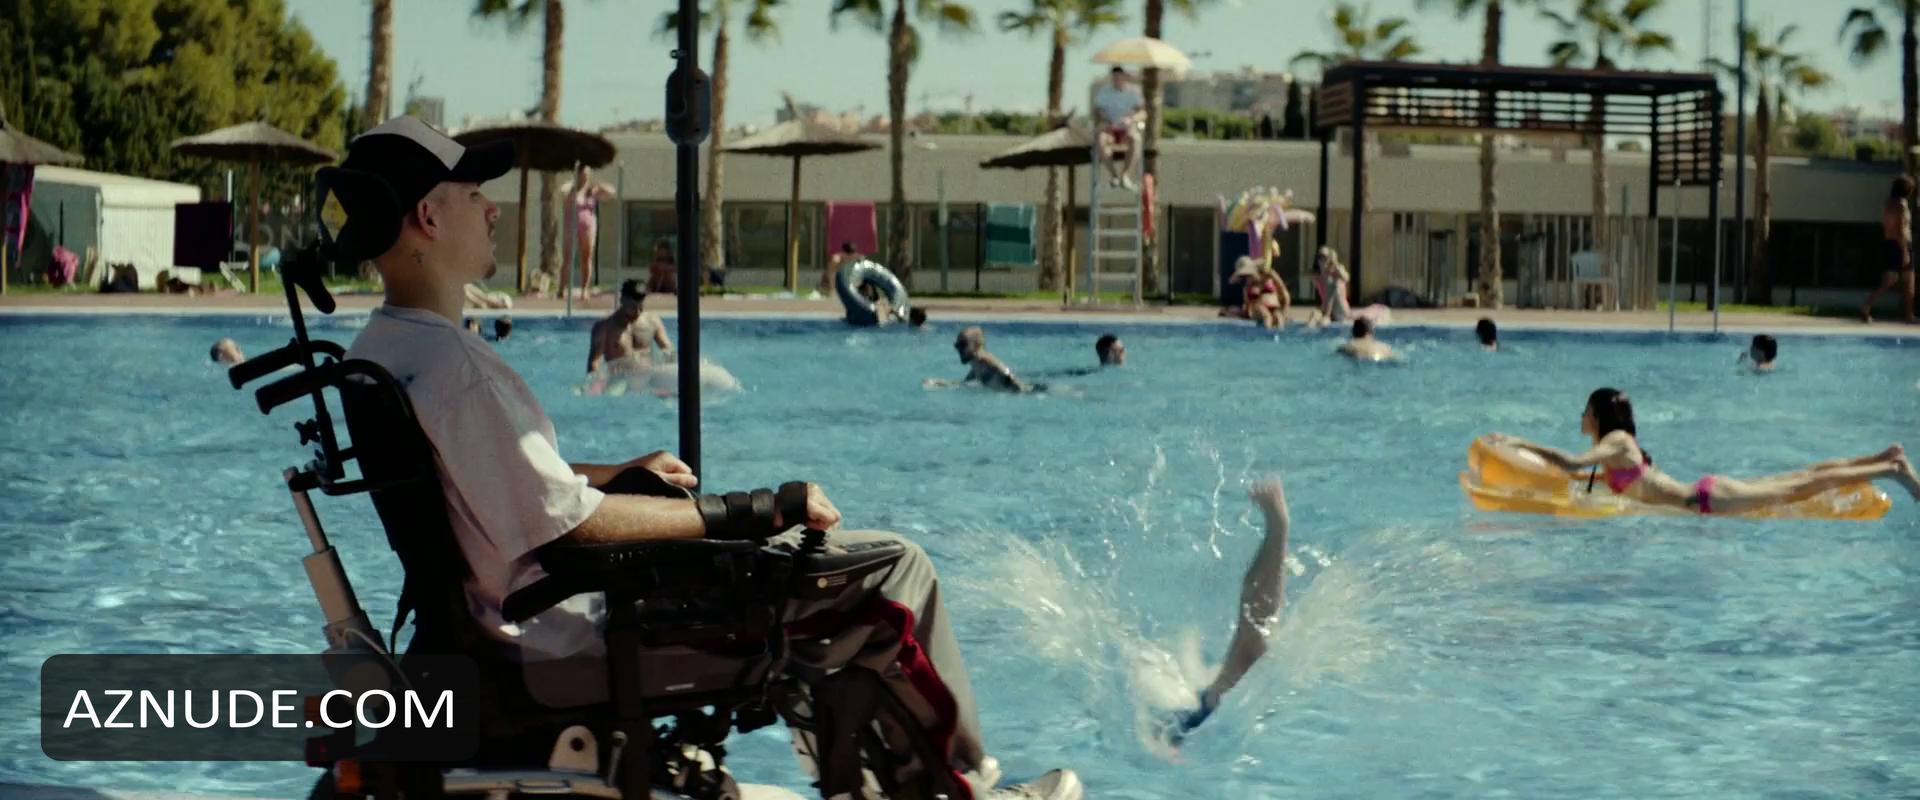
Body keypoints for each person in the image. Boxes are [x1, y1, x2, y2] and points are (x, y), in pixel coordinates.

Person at [326, 116, 1079, 800]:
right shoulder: (458, 369)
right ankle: (963, 790)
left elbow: (484, 485)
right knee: (893, 573)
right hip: (575, 635)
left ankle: (874, 783)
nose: (492, 209)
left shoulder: (385, 350)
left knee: (819, 584)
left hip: (509, 622)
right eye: (473, 195)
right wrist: (746, 511)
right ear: (427, 218)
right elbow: (572, 532)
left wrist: (612, 474)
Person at [1487, 388, 1920, 515]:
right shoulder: (1615, 450)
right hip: (1709, 493)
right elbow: (1579, 476)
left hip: (1708, 499)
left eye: (1584, 411)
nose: (1580, 417)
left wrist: (1519, 442)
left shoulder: (1615, 442)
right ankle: (1881, 456)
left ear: (1597, 415)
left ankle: (1890, 469)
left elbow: (1570, 462)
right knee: (1801, 475)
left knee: (1801, 486)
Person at [1163, 478, 1292, 745]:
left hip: (1197, 721)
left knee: (1252, 648)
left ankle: (1277, 528)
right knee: (1252, 648)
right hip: (1198, 725)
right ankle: (1277, 528)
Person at [588, 279, 675, 376]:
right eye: (633, 307)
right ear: (622, 300)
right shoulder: (604, 328)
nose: (637, 312)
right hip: (619, 380)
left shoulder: (652, 321)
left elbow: (669, 351)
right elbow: (594, 363)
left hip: (647, 378)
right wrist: (597, 381)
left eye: (641, 307)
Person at [1861, 175, 1916, 324]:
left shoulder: (1889, 203)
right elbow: (1901, 228)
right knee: (1905, 280)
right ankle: (1909, 315)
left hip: (1890, 242)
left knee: (1892, 279)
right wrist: (1904, 251)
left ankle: (1868, 306)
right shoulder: (1902, 205)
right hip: (1901, 244)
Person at [561, 164, 618, 297]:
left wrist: (599, 185)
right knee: (567, 258)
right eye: (582, 175)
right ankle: (561, 288)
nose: (585, 178)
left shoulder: (592, 191)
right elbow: (562, 191)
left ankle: (584, 289)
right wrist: (573, 185)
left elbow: (611, 192)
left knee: (587, 257)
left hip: (588, 226)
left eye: (587, 175)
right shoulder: (572, 190)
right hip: (572, 225)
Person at [924, 326, 1035, 393]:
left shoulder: (984, 358)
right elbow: (963, 384)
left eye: (962, 345)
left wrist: (1021, 389)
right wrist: (939, 383)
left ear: (975, 345)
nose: (958, 349)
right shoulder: (976, 367)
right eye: (957, 345)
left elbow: (1005, 372)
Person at [1094, 67, 1145, 191]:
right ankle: (1114, 175)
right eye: (1114, 77)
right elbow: (1098, 110)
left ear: (1124, 77)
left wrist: (1130, 119)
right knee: (1101, 139)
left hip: (1127, 130)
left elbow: (1142, 113)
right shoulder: (1104, 92)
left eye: (1119, 76)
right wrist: (1105, 119)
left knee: (1136, 139)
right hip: (1110, 130)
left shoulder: (1134, 92)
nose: (1116, 79)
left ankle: (1125, 175)